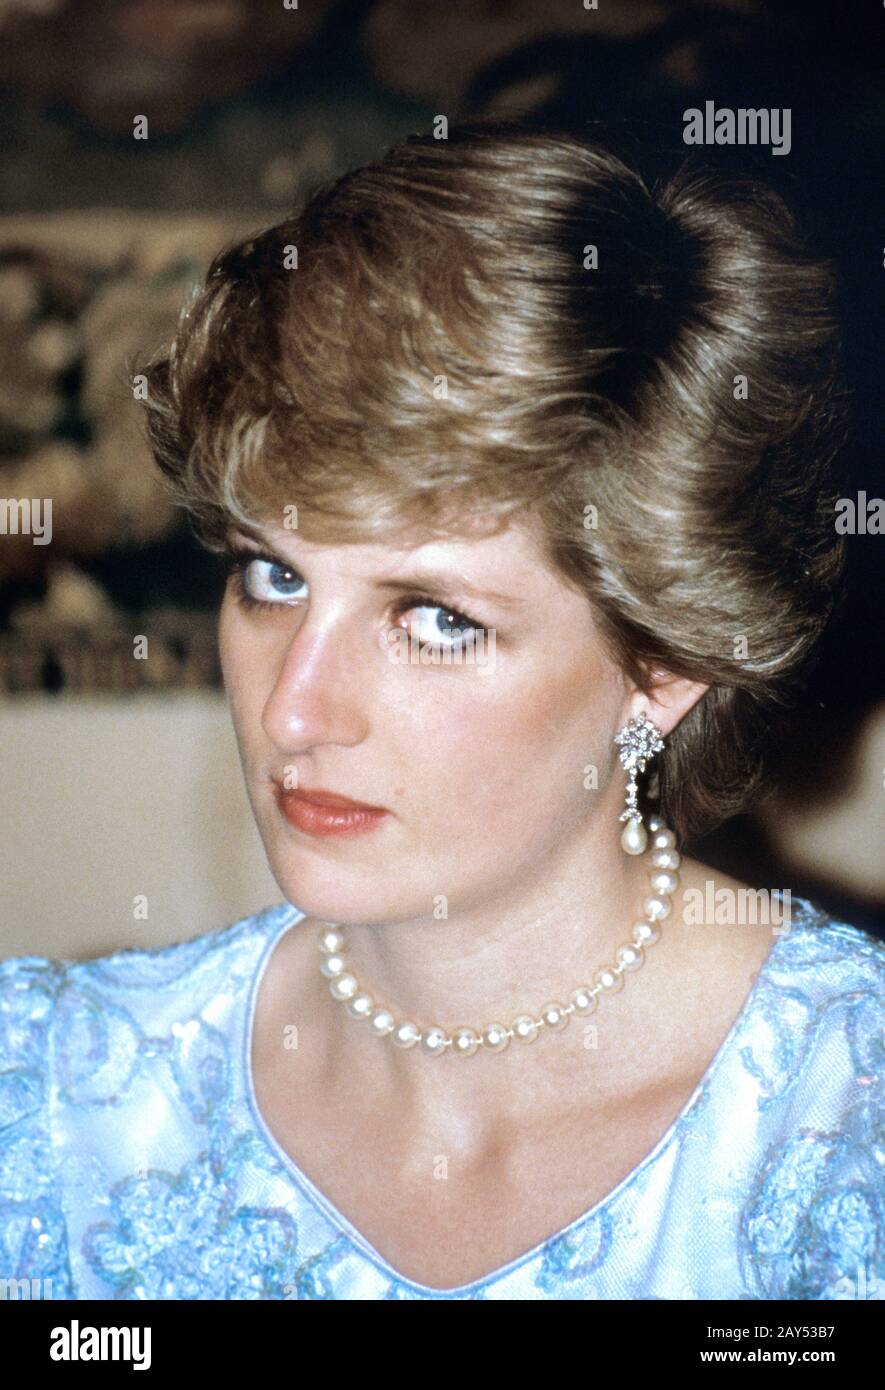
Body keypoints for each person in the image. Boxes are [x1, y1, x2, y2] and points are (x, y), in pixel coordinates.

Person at [1, 120, 882, 1301]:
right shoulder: (55, 1102)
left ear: (665, 667)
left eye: (435, 618)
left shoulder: (843, 1127)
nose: (295, 707)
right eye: (275, 577)